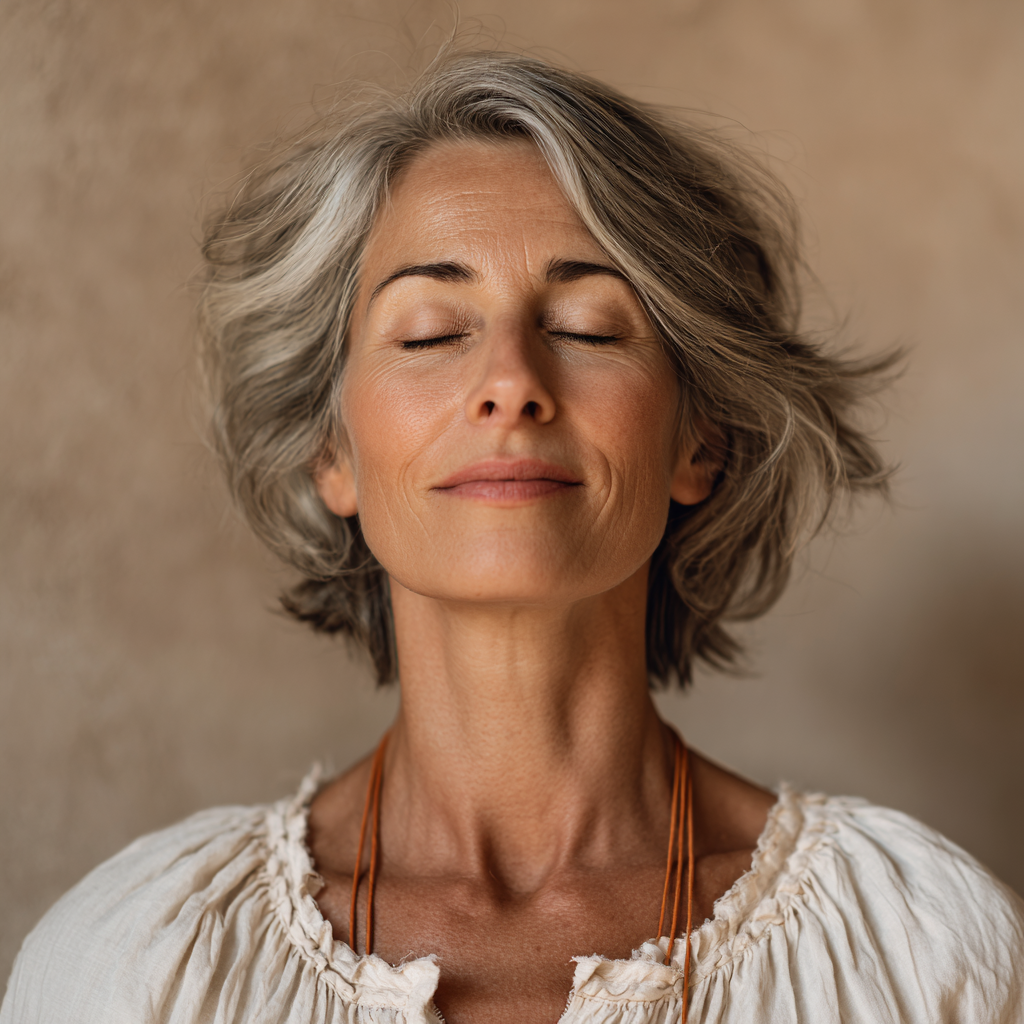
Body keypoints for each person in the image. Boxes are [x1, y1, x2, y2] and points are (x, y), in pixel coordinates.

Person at [3, 48, 1022, 1024]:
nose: (511, 384)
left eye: (585, 327)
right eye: (432, 332)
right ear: (332, 451)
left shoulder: (923, 955)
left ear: (698, 441)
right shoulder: (140, 962)